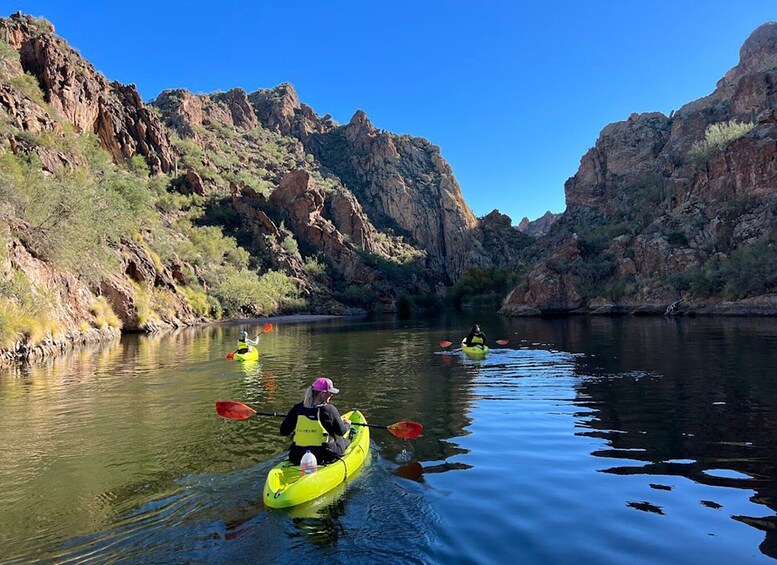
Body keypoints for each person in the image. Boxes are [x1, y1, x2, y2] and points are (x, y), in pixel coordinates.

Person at [279, 377, 351, 465]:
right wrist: (347, 424)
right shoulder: (329, 409)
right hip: (324, 456)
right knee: (341, 439)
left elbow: (284, 431)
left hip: (298, 456)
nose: (332, 395)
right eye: (330, 392)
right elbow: (341, 432)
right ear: (322, 393)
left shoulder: (297, 408)